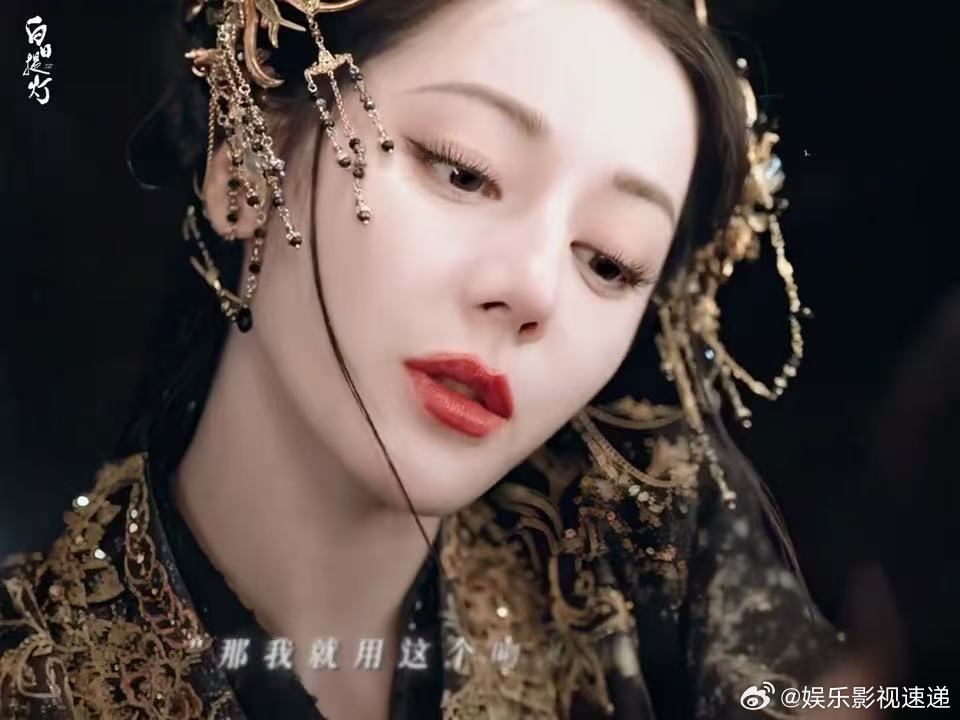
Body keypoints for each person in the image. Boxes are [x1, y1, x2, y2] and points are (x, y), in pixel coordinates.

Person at [0, 1, 849, 718]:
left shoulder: (639, 577)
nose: (533, 290)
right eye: (463, 172)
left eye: (609, 261)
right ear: (245, 165)